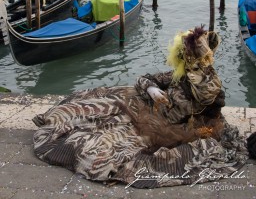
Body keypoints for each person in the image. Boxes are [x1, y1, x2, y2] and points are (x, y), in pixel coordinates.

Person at [32, 25, 250, 188]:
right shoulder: (177, 75)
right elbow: (144, 78)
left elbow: (205, 101)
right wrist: (152, 90)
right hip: (152, 113)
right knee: (100, 102)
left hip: (182, 128)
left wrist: (193, 95)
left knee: (103, 148)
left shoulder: (209, 84)